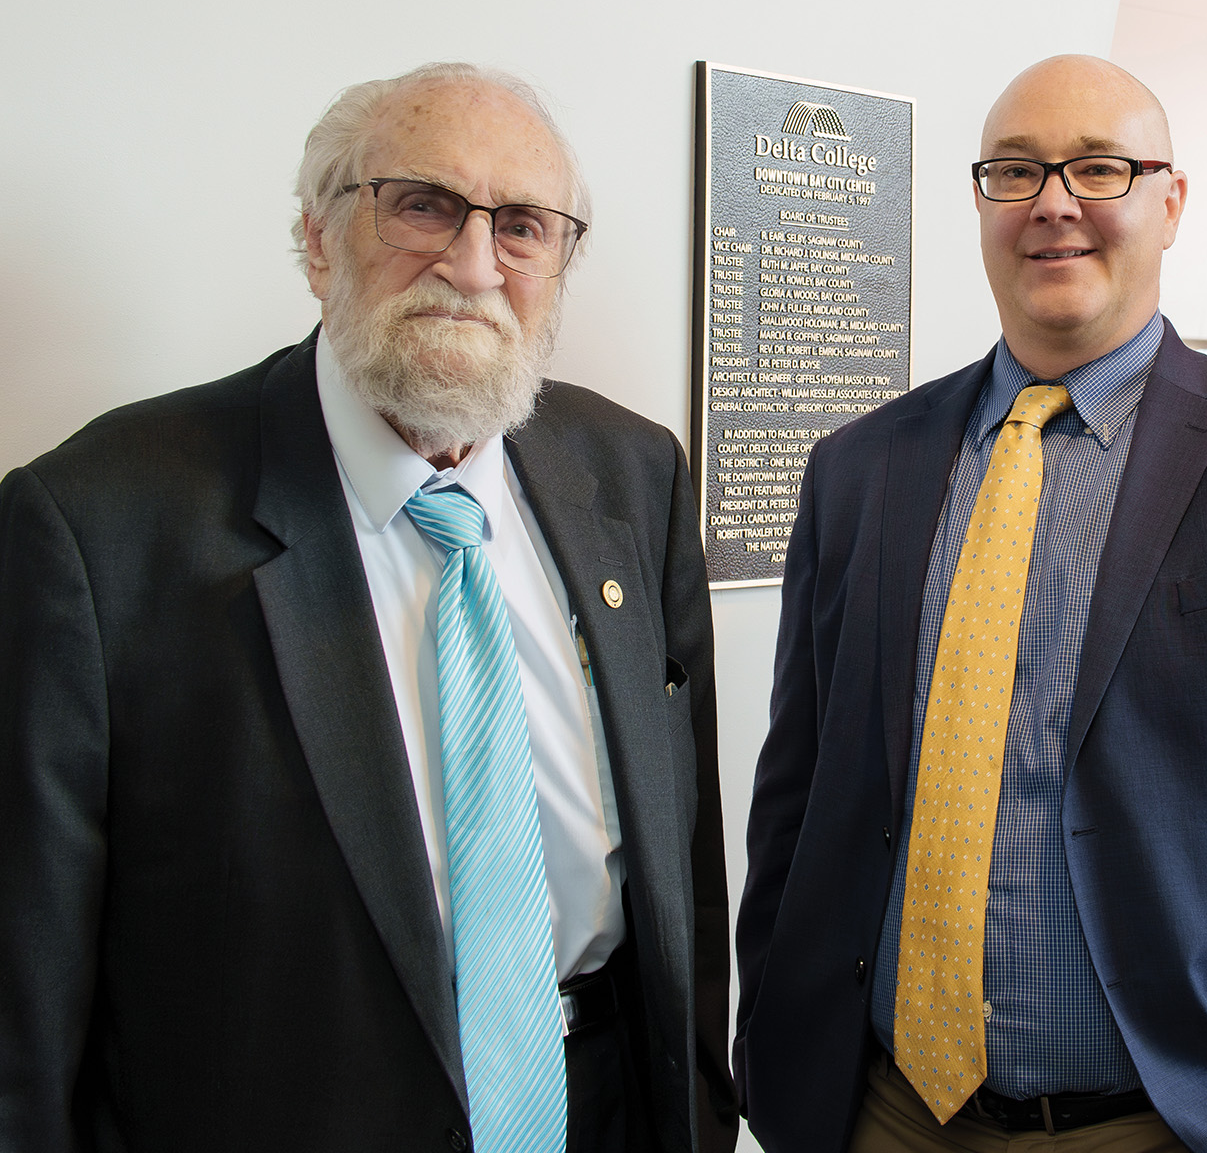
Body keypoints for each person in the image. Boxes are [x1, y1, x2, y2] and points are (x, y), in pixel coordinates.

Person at [733, 54, 1207, 1153]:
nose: (1054, 205)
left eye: (1099, 168)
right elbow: (796, 793)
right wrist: (772, 1046)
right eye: (1017, 172)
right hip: (884, 1111)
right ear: (980, 202)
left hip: (1180, 1119)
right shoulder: (859, 469)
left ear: (1170, 203)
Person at [0, 63, 735, 1153]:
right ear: (317, 239)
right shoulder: (96, 526)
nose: (473, 263)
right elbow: (29, 990)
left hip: (606, 1099)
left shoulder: (632, 475)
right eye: (423, 204)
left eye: (523, 225)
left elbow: (684, 858)